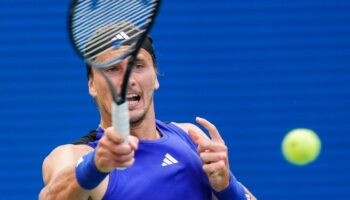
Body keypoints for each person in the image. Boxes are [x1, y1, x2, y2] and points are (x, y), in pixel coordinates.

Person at [39, 24, 256, 200]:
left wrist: (227, 188)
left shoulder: (190, 137)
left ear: (156, 78)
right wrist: (96, 165)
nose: (127, 81)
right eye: (112, 69)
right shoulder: (74, 156)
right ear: (92, 85)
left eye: (138, 66)